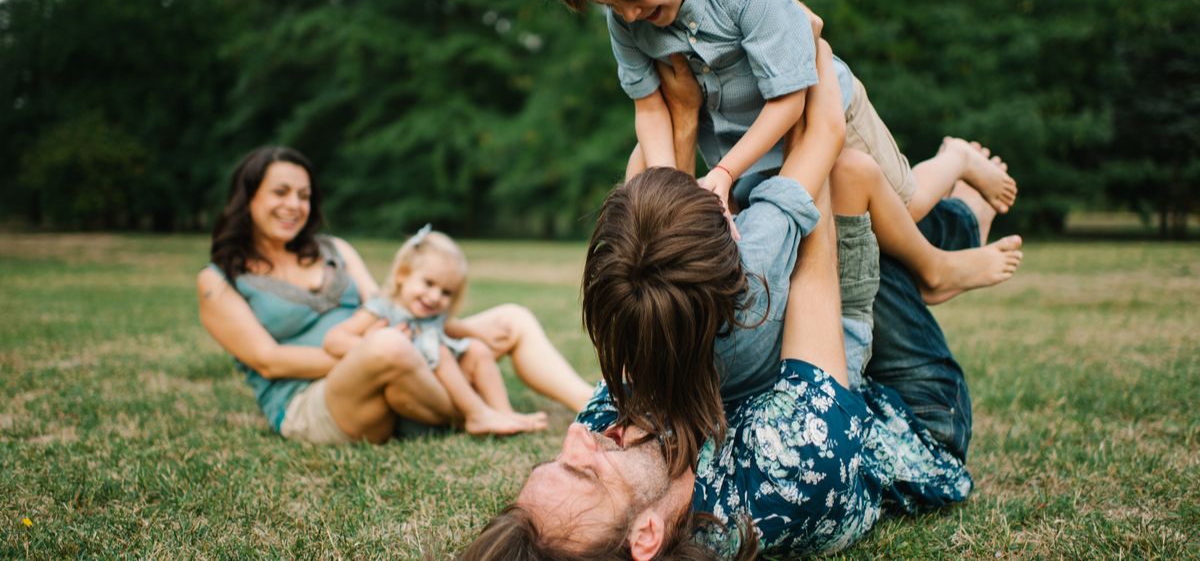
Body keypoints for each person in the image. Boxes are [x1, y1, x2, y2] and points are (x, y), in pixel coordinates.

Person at [461, 36, 1002, 557]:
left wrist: (684, 115)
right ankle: (963, 206)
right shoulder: (784, 476)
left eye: (557, 459)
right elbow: (817, 247)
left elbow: (658, 218)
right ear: (646, 536)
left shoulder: (614, 435)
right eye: (582, 471)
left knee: (709, 254)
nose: (579, 433)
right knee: (851, 188)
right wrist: (802, 66)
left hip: (786, 373)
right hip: (904, 412)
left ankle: (958, 205)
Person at [546, 0, 1023, 303]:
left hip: (819, 107)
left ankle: (955, 160)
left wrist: (725, 173)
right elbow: (650, 109)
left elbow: (789, 103)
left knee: (904, 205)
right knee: (806, 224)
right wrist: (674, 188)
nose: (629, 14)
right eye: (613, 5)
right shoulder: (628, 23)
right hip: (735, 137)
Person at [196, 147, 594, 445]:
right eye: (280, 192)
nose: (294, 205)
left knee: (512, 318)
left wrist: (454, 333)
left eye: (303, 195)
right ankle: (476, 412)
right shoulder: (219, 281)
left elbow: (387, 303)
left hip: (397, 358)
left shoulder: (333, 249)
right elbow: (270, 362)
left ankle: (595, 405)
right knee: (389, 345)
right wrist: (377, 354)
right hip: (316, 398)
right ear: (247, 199)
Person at [323, 225, 549, 436]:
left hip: (441, 389)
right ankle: (477, 415)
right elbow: (334, 339)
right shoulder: (381, 309)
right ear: (402, 274)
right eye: (428, 283)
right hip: (416, 400)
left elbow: (451, 326)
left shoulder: (431, 315)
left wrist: (479, 334)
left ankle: (504, 413)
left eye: (446, 292)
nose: (434, 297)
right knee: (440, 352)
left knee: (478, 350)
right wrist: (371, 346)